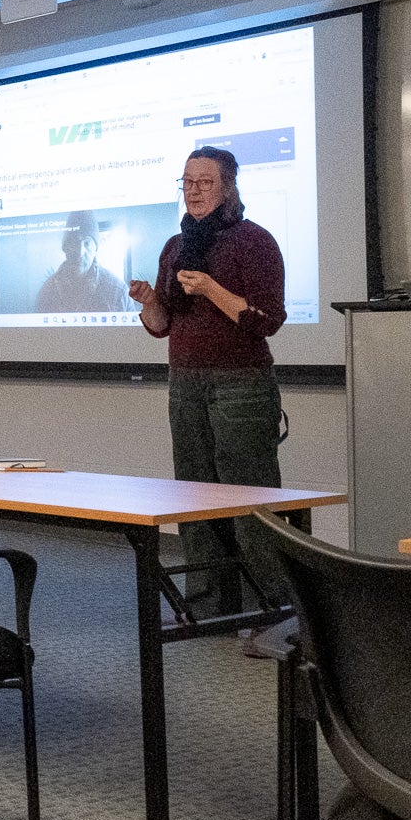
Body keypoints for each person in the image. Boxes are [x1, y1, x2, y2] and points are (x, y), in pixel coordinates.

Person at [129, 145, 287, 625]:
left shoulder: (254, 241)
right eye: (187, 182)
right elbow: (161, 325)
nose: (193, 191)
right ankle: (208, 607)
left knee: (248, 499)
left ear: (228, 189)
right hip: (185, 384)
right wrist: (148, 299)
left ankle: (270, 611)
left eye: (204, 182)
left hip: (242, 385)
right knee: (193, 497)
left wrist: (212, 289)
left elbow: (268, 320)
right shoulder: (175, 247)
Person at [34, 209, 131, 314]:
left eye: (87, 243)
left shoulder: (118, 291)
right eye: (74, 242)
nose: (80, 252)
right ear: (65, 247)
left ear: (95, 250)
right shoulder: (47, 291)